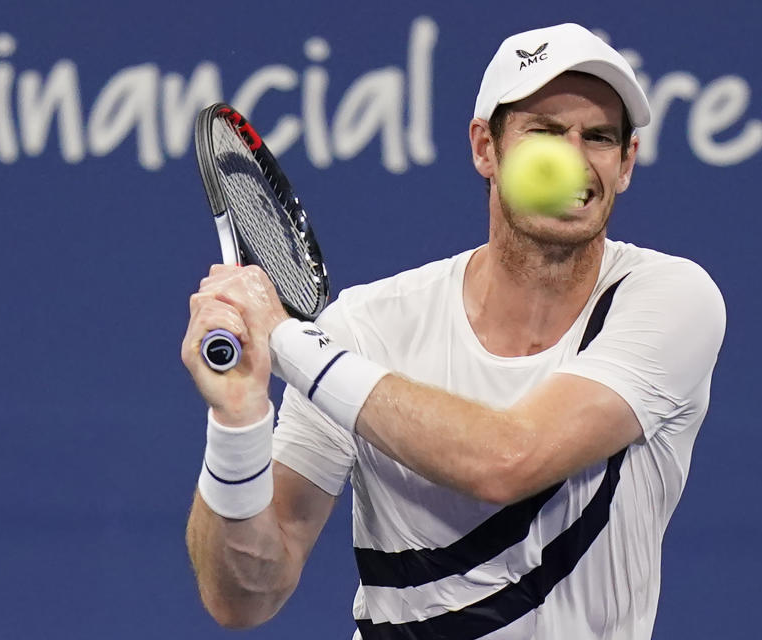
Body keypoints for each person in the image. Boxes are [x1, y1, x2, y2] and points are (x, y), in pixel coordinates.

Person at [182, 23, 726, 640]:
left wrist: (284, 342)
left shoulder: (670, 300)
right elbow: (243, 598)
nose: (572, 157)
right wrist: (237, 420)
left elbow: (508, 458)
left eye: (598, 137)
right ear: (485, 148)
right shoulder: (361, 330)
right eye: (544, 131)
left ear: (625, 163)